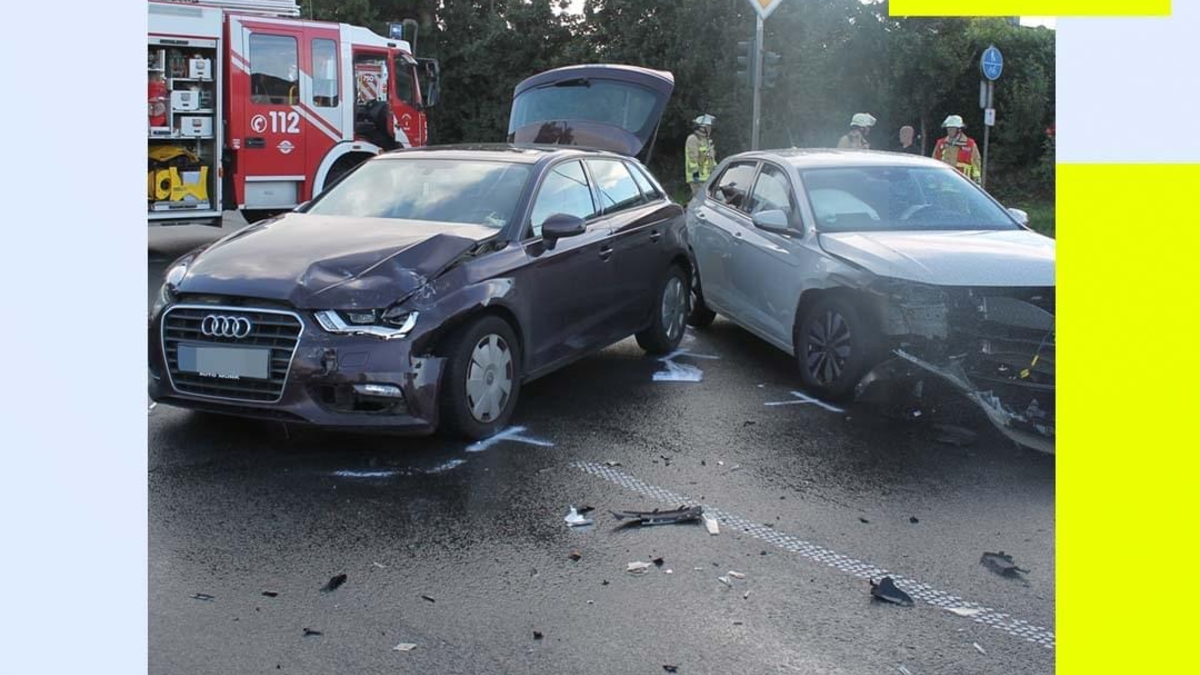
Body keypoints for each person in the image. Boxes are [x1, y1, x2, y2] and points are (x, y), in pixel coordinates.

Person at [932, 115, 983, 183]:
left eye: (952, 128)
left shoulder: (970, 145)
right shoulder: (941, 143)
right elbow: (933, 163)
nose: (950, 131)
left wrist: (977, 183)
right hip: (943, 183)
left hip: (963, 184)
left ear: (959, 129)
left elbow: (976, 166)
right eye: (948, 128)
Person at [685, 114, 717, 196]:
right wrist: (696, 176)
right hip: (698, 180)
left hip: (708, 179)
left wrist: (718, 172)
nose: (710, 129)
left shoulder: (707, 141)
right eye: (708, 127)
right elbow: (692, 160)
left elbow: (711, 160)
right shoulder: (693, 139)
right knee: (699, 203)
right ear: (702, 128)